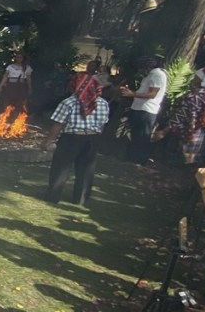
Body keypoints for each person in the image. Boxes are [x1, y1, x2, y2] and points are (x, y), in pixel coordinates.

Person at [40, 73, 110, 206]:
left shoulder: (68, 102)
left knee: (61, 167)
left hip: (71, 138)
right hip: (92, 138)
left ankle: (53, 196)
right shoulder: (103, 103)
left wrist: (48, 141)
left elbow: (58, 124)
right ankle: (81, 199)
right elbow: (102, 125)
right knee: (85, 170)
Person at [155, 67, 205, 164]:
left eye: (196, 77)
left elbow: (181, 116)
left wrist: (164, 131)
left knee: (175, 166)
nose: (193, 78)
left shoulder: (194, 97)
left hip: (184, 137)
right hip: (198, 138)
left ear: (202, 81)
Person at [119, 55, 169, 166]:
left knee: (142, 136)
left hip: (147, 109)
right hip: (138, 108)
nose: (139, 70)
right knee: (135, 135)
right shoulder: (150, 75)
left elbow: (152, 94)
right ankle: (132, 158)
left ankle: (140, 160)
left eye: (141, 68)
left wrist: (133, 94)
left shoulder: (157, 74)